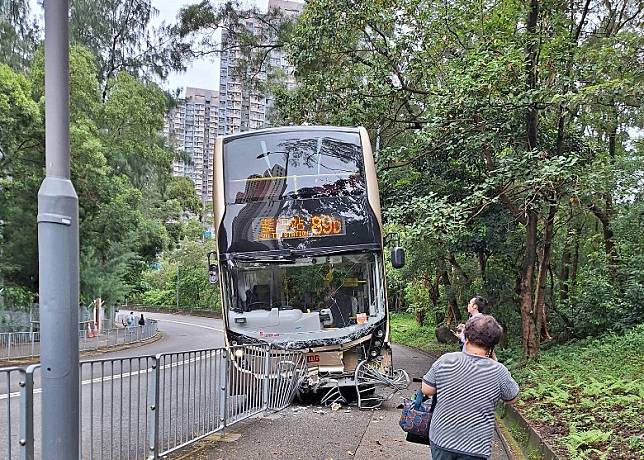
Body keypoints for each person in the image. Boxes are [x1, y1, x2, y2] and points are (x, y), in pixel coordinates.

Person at [422, 315, 519, 459]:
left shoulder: (447, 360)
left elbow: (427, 390)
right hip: (476, 446)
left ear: (466, 336)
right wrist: (495, 361)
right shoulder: (499, 371)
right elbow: (512, 398)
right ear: (492, 345)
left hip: (442, 438)